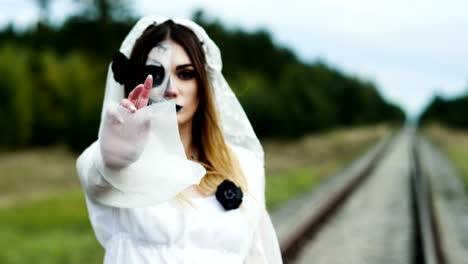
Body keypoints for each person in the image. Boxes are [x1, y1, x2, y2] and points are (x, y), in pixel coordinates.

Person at [76, 15, 282, 263]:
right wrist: (112, 162)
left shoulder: (245, 166)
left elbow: (257, 255)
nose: (171, 88)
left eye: (185, 74)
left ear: (203, 84)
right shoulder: (113, 162)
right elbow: (93, 174)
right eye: (156, 73)